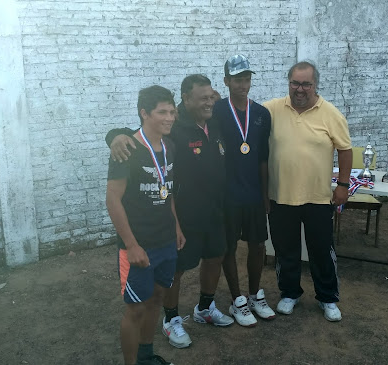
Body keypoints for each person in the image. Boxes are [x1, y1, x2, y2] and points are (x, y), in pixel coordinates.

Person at [106, 75, 233, 350]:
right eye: (203, 98)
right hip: (178, 217)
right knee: (171, 275)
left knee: (213, 258)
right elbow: (136, 135)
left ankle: (204, 308)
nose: (209, 102)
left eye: (212, 97)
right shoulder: (174, 129)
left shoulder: (215, 123)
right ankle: (171, 319)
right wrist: (114, 136)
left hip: (209, 213)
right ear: (185, 100)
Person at [264, 61, 352, 322]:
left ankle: (328, 298)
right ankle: (289, 293)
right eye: (295, 83)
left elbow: (345, 150)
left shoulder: (331, 113)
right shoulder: (270, 110)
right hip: (280, 196)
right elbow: (240, 118)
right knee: (285, 250)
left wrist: (343, 186)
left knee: (322, 251)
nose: (300, 89)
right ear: (288, 82)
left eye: (306, 84)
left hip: (318, 198)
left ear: (316, 85)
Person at [106, 85, 182, 365]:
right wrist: (131, 244)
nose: (170, 117)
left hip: (165, 241)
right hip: (138, 245)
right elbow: (113, 200)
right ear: (144, 113)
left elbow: (168, 190)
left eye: (172, 111)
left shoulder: (169, 145)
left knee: (157, 299)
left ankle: (147, 356)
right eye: (162, 112)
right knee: (135, 309)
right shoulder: (126, 149)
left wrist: (176, 226)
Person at [215, 55, 275, 327]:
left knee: (258, 244)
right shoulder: (216, 110)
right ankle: (237, 299)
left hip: (252, 192)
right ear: (226, 81)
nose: (243, 84)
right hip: (227, 193)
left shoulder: (262, 114)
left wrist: (264, 194)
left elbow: (263, 157)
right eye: (237, 79)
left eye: (247, 79)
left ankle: (254, 295)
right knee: (228, 246)